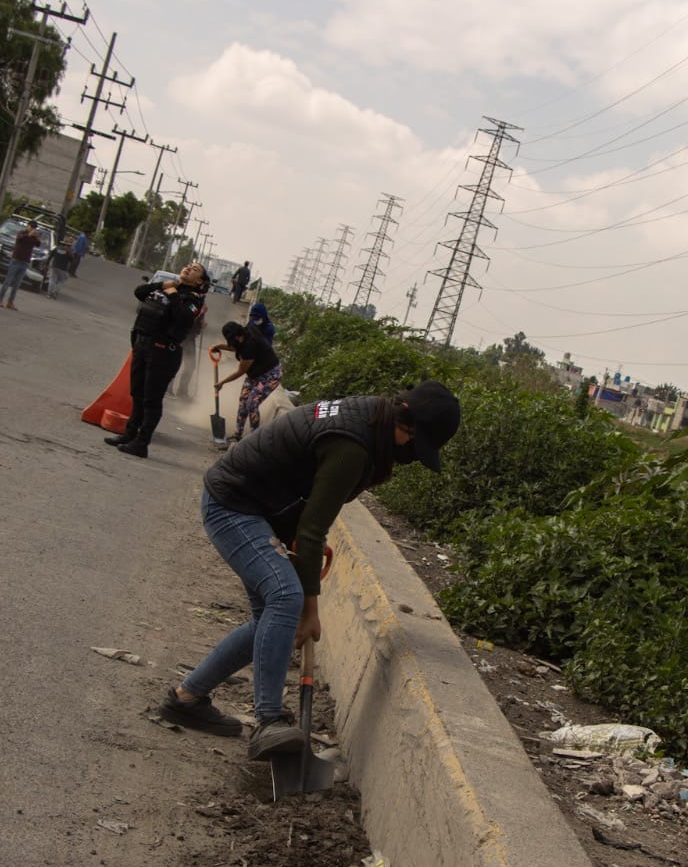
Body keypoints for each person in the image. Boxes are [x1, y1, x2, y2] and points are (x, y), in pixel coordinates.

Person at [155, 381, 462, 758]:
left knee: (268, 620)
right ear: (407, 426)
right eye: (414, 447)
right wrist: (310, 612)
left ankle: (187, 698)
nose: (409, 456)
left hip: (257, 506)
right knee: (286, 598)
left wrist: (298, 549)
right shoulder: (354, 446)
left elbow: (307, 509)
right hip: (233, 505)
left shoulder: (369, 413)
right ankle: (269, 721)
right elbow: (313, 531)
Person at [104, 263, 209, 458]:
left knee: (151, 399)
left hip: (164, 352)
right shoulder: (167, 286)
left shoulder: (193, 299)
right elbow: (140, 292)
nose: (188, 268)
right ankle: (129, 434)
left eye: (195, 269)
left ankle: (142, 443)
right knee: (137, 393)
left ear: (200, 281)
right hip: (143, 344)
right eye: (188, 265)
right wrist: (163, 285)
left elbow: (183, 317)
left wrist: (172, 293)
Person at [215, 320, 281, 442]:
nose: (237, 341)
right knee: (243, 400)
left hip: (270, 375)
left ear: (239, 334)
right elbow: (236, 347)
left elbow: (240, 372)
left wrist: (222, 382)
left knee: (252, 402)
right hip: (255, 374)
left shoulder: (249, 345)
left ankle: (254, 438)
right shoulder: (243, 335)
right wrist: (219, 347)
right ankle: (237, 435)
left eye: (237, 338)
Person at [0, 221, 39, 310]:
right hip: (16, 260)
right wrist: (29, 235)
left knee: (17, 284)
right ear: (28, 226)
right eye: (31, 226)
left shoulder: (33, 237)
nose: (32, 229)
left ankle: (10, 302)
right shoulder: (22, 233)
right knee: (8, 281)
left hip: (25, 262)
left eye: (34, 227)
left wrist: (36, 237)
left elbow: (38, 244)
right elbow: (20, 238)